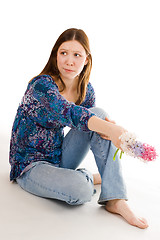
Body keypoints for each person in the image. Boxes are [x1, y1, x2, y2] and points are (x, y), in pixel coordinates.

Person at [9, 28, 148, 229]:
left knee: (98, 113)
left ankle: (115, 198)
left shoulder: (86, 90)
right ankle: (87, 178)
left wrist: (108, 128)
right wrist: (112, 130)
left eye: (77, 55)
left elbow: (89, 123)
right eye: (63, 53)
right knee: (81, 191)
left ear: (86, 60)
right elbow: (69, 113)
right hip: (31, 166)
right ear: (55, 55)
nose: (69, 61)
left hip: (60, 157)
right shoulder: (40, 86)